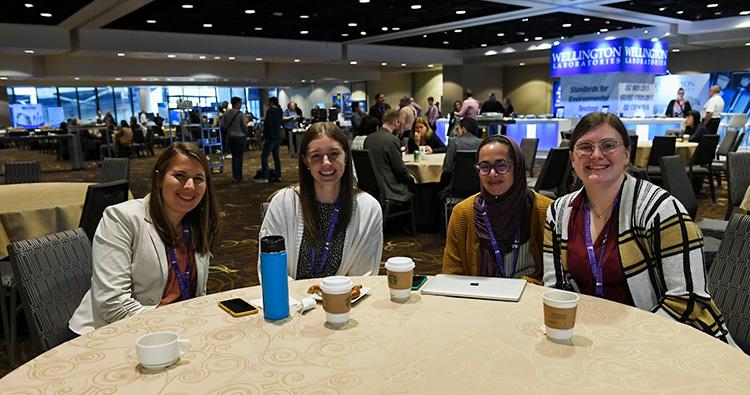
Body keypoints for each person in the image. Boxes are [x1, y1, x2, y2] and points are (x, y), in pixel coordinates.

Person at [543, 112, 734, 343]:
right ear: (573, 159)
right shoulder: (559, 213)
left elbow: (687, 300)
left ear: (626, 155)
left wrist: (627, 340)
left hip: (671, 338)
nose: (596, 155)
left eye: (608, 145)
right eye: (585, 147)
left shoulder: (661, 210)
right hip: (594, 337)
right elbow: (556, 289)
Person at [69, 143, 221, 335]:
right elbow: (112, 304)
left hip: (174, 331)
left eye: (198, 179)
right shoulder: (121, 219)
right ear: (158, 178)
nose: (190, 186)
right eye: (180, 176)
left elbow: (196, 292)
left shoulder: (197, 224)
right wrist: (174, 322)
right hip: (113, 332)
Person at [260, 123, 383, 279]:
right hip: (291, 300)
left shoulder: (368, 209)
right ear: (306, 161)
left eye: (334, 154)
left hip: (344, 300)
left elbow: (364, 277)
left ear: (346, 156)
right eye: (316, 156)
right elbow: (272, 274)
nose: (326, 163)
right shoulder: (284, 203)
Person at [442, 135, 552, 281]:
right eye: (485, 167)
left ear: (516, 167)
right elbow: (451, 276)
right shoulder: (463, 213)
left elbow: (556, 278)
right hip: (480, 299)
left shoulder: (545, 210)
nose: (492, 174)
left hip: (530, 299)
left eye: (501, 165)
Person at [363, 109, 414, 202]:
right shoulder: (392, 140)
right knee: (420, 188)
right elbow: (400, 170)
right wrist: (412, 179)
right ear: (395, 122)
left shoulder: (368, 139)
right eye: (400, 124)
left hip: (373, 190)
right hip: (390, 189)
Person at [256, 96, 283, 183]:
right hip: (277, 135)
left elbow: (267, 124)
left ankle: (265, 176)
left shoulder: (270, 111)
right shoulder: (280, 110)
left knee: (264, 156)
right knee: (276, 156)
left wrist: (264, 136)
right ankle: (278, 175)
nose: (267, 104)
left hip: (271, 136)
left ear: (272, 102)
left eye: (268, 102)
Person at [223, 96, 249, 184]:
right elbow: (244, 126)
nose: (241, 105)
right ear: (236, 103)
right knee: (240, 157)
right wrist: (245, 133)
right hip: (240, 136)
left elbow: (223, 125)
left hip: (230, 137)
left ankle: (234, 177)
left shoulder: (226, 113)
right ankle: (239, 177)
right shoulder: (240, 114)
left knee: (234, 157)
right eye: (240, 103)